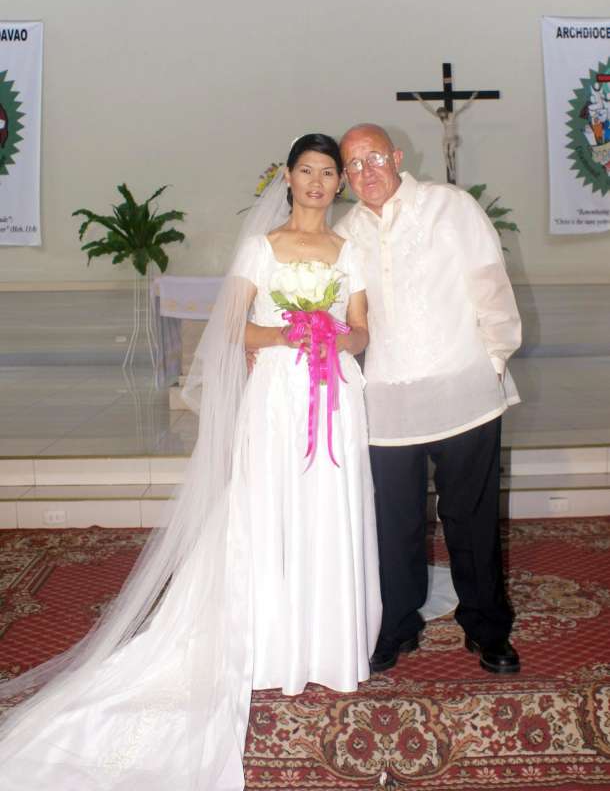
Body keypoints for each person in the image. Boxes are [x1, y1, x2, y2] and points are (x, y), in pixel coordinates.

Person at [0, 134, 382, 790]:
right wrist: (290, 332)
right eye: (307, 171)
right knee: (270, 509)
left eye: (328, 173)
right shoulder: (261, 247)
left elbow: (363, 327)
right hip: (276, 397)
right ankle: (273, 644)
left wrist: (335, 337)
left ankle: (328, 643)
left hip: (335, 398)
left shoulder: (351, 251)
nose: (318, 183)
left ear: (339, 184)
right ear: (288, 178)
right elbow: (232, 327)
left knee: (329, 512)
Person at [334, 123, 522, 675]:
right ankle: (397, 625)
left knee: (471, 518)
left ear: (396, 157)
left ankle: (487, 629)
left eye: (373, 158)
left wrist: (493, 362)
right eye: (353, 165)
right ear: (345, 177)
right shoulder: (344, 234)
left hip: (463, 392)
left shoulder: (450, 207)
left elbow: (490, 284)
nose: (366, 171)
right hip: (386, 406)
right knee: (393, 524)